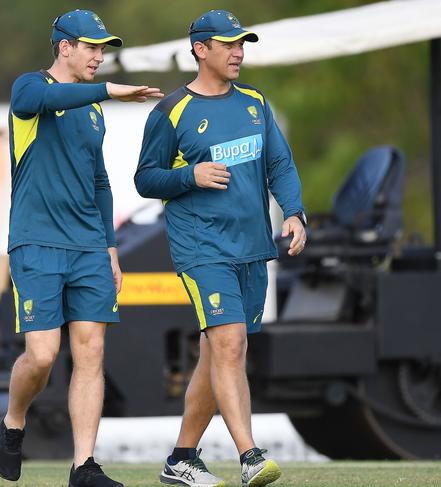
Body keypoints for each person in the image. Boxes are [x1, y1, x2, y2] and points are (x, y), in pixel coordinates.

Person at [0, 9, 163, 487]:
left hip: (88, 245)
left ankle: (83, 466)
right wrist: (110, 90)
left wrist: (109, 247)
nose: (99, 57)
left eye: (103, 49)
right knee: (43, 355)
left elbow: (100, 180)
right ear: (64, 47)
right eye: (91, 47)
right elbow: (43, 98)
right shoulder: (28, 88)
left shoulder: (92, 110)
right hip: (36, 241)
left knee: (91, 350)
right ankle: (12, 423)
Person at [135, 10, 307, 487]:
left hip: (252, 247)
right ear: (200, 50)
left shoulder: (255, 102)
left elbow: (281, 164)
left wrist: (293, 212)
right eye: (229, 44)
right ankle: (250, 455)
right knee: (228, 342)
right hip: (201, 247)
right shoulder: (171, 111)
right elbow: (146, 179)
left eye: (242, 44)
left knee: (220, 353)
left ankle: (182, 459)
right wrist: (191, 175)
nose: (238, 52)